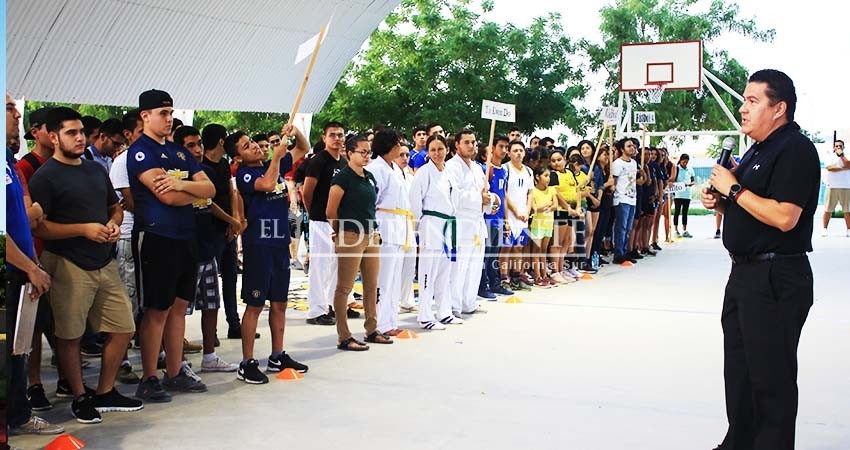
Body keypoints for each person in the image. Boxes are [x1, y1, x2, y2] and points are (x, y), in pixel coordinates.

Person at [702, 69, 820, 450]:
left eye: (753, 101)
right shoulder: (758, 149)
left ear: (779, 108)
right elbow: (751, 208)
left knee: (771, 381)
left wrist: (734, 189)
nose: (743, 108)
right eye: (744, 100)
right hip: (744, 274)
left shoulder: (795, 149)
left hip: (776, 276)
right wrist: (721, 200)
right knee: (739, 374)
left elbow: (785, 217)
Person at [29, 107, 143, 423]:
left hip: (104, 260)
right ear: (53, 137)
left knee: (124, 327)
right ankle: (80, 396)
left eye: (81, 131)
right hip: (67, 262)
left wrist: (113, 224)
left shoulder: (94, 170)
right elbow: (39, 227)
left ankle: (105, 391)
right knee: (70, 336)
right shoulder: (45, 177)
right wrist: (83, 229)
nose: (80, 138)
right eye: (71, 132)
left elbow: (115, 207)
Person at [127, 89, 215, 402]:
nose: (168, 119)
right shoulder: (141, 151)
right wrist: (191, 191)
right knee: (157, 309)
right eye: (162, 113)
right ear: (145, 116)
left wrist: (180, 184)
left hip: (185, 236)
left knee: (179, 307)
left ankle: (175, 371)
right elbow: (167, 197)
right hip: (156, 236)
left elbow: (211, 188)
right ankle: (149, 376)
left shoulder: (179, 152)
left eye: (171, 113)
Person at [5, 91, 65, 436]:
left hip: (20, 269)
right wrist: (30, 267)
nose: (17, 115)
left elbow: (24, 217)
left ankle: (18, 414)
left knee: (17, 351)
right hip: (14, 269)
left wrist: (30, 265)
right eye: (9, 108)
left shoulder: (8, 163)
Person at [232, 125, 310, 382]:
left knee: (280, 302)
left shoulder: (272, 163)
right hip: (258, 246)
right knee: (255, 304)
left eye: (253, 141)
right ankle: (247, 362)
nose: (255, 146)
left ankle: (278, 355)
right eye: (246, 146)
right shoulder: (245, 174)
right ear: (238, 157)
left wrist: (295, 131)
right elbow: (266, 184)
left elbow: (303, 148)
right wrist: (276, 157)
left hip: (279, 244)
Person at [326, 135, 393, 350]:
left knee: (371, 286)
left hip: (371, 234)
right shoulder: (342, 178)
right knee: (345, 287)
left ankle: (371, 329)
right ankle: (344, 336)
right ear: (350, 153)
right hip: (351, 235)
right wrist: (340, 232)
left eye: (368, 152)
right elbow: (330, 211)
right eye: (362, 152)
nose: (366, 156)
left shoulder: (369, 177)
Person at [201, 123, 251, 340]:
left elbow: (231, 192)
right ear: (221, 141)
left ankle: (234, 323)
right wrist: (231, 220)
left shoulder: (223, 164)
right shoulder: (201, 167)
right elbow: (208, 202)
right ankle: (210, 333)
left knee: (230, 279)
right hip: (211, 230)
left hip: (228, 229)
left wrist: (235, 220)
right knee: (209, 284)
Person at [302, 122, 354, 326]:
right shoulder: (318, 161)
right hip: (320, 220)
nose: (337, 138)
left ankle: (333, 305)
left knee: (336, 265)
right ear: (324, 138)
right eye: (332, 135)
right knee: (320, 265)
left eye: (340, 135)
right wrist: (313, 214)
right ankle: (316, 310)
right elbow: (307, 192)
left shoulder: (344, 162)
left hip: (338, 220)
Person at [368, 129, 413, 335]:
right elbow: (372, 200)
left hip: (399, 225)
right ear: (389, 146)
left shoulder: (395, 168)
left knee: (394, 278)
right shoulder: (376, 169)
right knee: (384, 279)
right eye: (397, 143)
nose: (400, 147)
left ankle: (390, 321)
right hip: (384, 224)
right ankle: (378, 324)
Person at [409, 135, 456, 330]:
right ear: (427, 152)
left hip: (448, 224)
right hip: (430, 223)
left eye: (440, 149)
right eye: (433, 150)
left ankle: (444, 312)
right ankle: (425, 315)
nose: (437, 153)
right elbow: (414, 201)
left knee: (445, 271)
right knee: (428, 270)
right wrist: (418, 226)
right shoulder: (424, 172)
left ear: (447, 150)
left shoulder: (449, 172)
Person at [445, 129, 489, 316]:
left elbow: (485, 193)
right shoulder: (451, 167)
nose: (471, 146)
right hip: (461, 222)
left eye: (473, 142)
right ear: (457, 145)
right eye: (467, 142)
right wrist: (479, 198)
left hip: (477, 222)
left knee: (475, 265)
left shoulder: (478, 168)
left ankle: (468, 302)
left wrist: (490, 201)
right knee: (459, 266)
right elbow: (454, 195)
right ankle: (454, 305)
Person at [611, 138, 638, 265]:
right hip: (621, 198)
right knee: (621, 227)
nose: (632, 148)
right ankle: (618, 254)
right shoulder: (617, 163)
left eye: (633, 146)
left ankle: (625, 251)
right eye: (628, 146)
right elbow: (614, 181)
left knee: (628, 228)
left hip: (632, 198)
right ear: (622, 149)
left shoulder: (634, 163)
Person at [529, 166, 557, 287]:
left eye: (548, 176)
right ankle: (537, 276)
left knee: (544, 251)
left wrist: (547, 206)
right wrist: (547, 205)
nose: (548, 178)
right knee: (536, 250)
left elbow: (555, 205)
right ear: (537, 177)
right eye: (545, 176)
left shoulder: (551, 190)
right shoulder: (533, 191)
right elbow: (534, 209)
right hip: (537, 224)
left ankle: (544, 274)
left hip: (548, 224)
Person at [822, 139, 850, 236]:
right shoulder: (829, 155)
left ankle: (848, 229)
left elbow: (848, 164)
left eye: (840, 146)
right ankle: (824, 229)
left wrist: (842, 156)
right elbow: (829, 168)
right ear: (833, 147)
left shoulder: (847, 156)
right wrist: (843, 168)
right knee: (828, 209)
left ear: (843, 147)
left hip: (845, 186)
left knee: (847, 209)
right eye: (836, 146)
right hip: (832, 186)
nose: (838, 147)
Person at [672, 153, 695, 238]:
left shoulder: (690, 169)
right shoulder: (677, 168)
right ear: (680, 161)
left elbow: (693, 180)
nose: (685, 164)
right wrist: (681, 184)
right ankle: (675, 229)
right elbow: (673, 180)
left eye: (686, 162)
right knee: (677, 212)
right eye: (683, 162)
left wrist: (690, 184)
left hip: (687, 194)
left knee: (685, 212)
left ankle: (685, 230)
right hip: (678, 194)